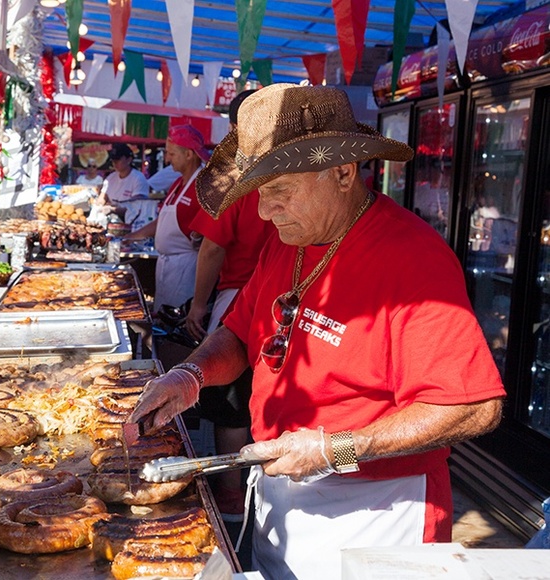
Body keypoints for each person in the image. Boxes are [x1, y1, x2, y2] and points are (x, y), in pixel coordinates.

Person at [129, 84, 505, 579]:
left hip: (377, 511)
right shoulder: (290, 238)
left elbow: (473, 406)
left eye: (280, 189)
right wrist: (191, 374)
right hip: (280, 488)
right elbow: (240, 333)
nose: (265, 210)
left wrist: (337, 448)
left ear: (343, 172)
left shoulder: (413, 260)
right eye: (261, 192)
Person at [183, 89, 277, 521]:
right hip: (278, 299)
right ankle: (245, 490)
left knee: (235, 402)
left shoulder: (236, 175)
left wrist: (198, 305)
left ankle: (232, 493)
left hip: (240, 297)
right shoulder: (249, 172)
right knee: (249, 394)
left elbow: (212, 249)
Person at [124, 125, 208, 313]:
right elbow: (161, 221)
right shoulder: (177, 183)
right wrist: (130, 237)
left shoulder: (203, 186)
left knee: (177, 322)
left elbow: (211, 233)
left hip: (187, 268)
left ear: (188, 154)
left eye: (171, 154)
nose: (168, 159)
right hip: (165, 265)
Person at [97, 143, 152, 230]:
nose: (114, 163)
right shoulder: (110, 178)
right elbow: (102, 197)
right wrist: (99, 206)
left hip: (133, 226)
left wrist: (112, 209)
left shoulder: (138, 178)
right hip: (111, 224)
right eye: (113, 160)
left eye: (118, 159)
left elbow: (137, 208)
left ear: (129, 160)